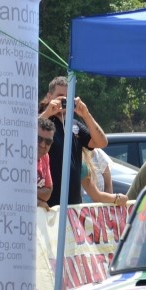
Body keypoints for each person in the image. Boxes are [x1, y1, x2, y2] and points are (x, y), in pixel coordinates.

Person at [40, 76, 109, 207]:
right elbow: (26, 136)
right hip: (49, 207)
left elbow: (101, 142)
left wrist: (86, 114)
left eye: (68, 97)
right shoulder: (43, 123)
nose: (64, 100)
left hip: (73, 207)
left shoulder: (74, 125)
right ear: (49, 97)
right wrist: (48, 112)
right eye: (60, 96)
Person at [36, 117, 54, 209]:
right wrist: (37, 202)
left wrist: (27, 191)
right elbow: (13, 190)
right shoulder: (20, 157)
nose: (43, 145)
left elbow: (48, 193)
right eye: (39, 139)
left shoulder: (45, 156)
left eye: (48, 141)